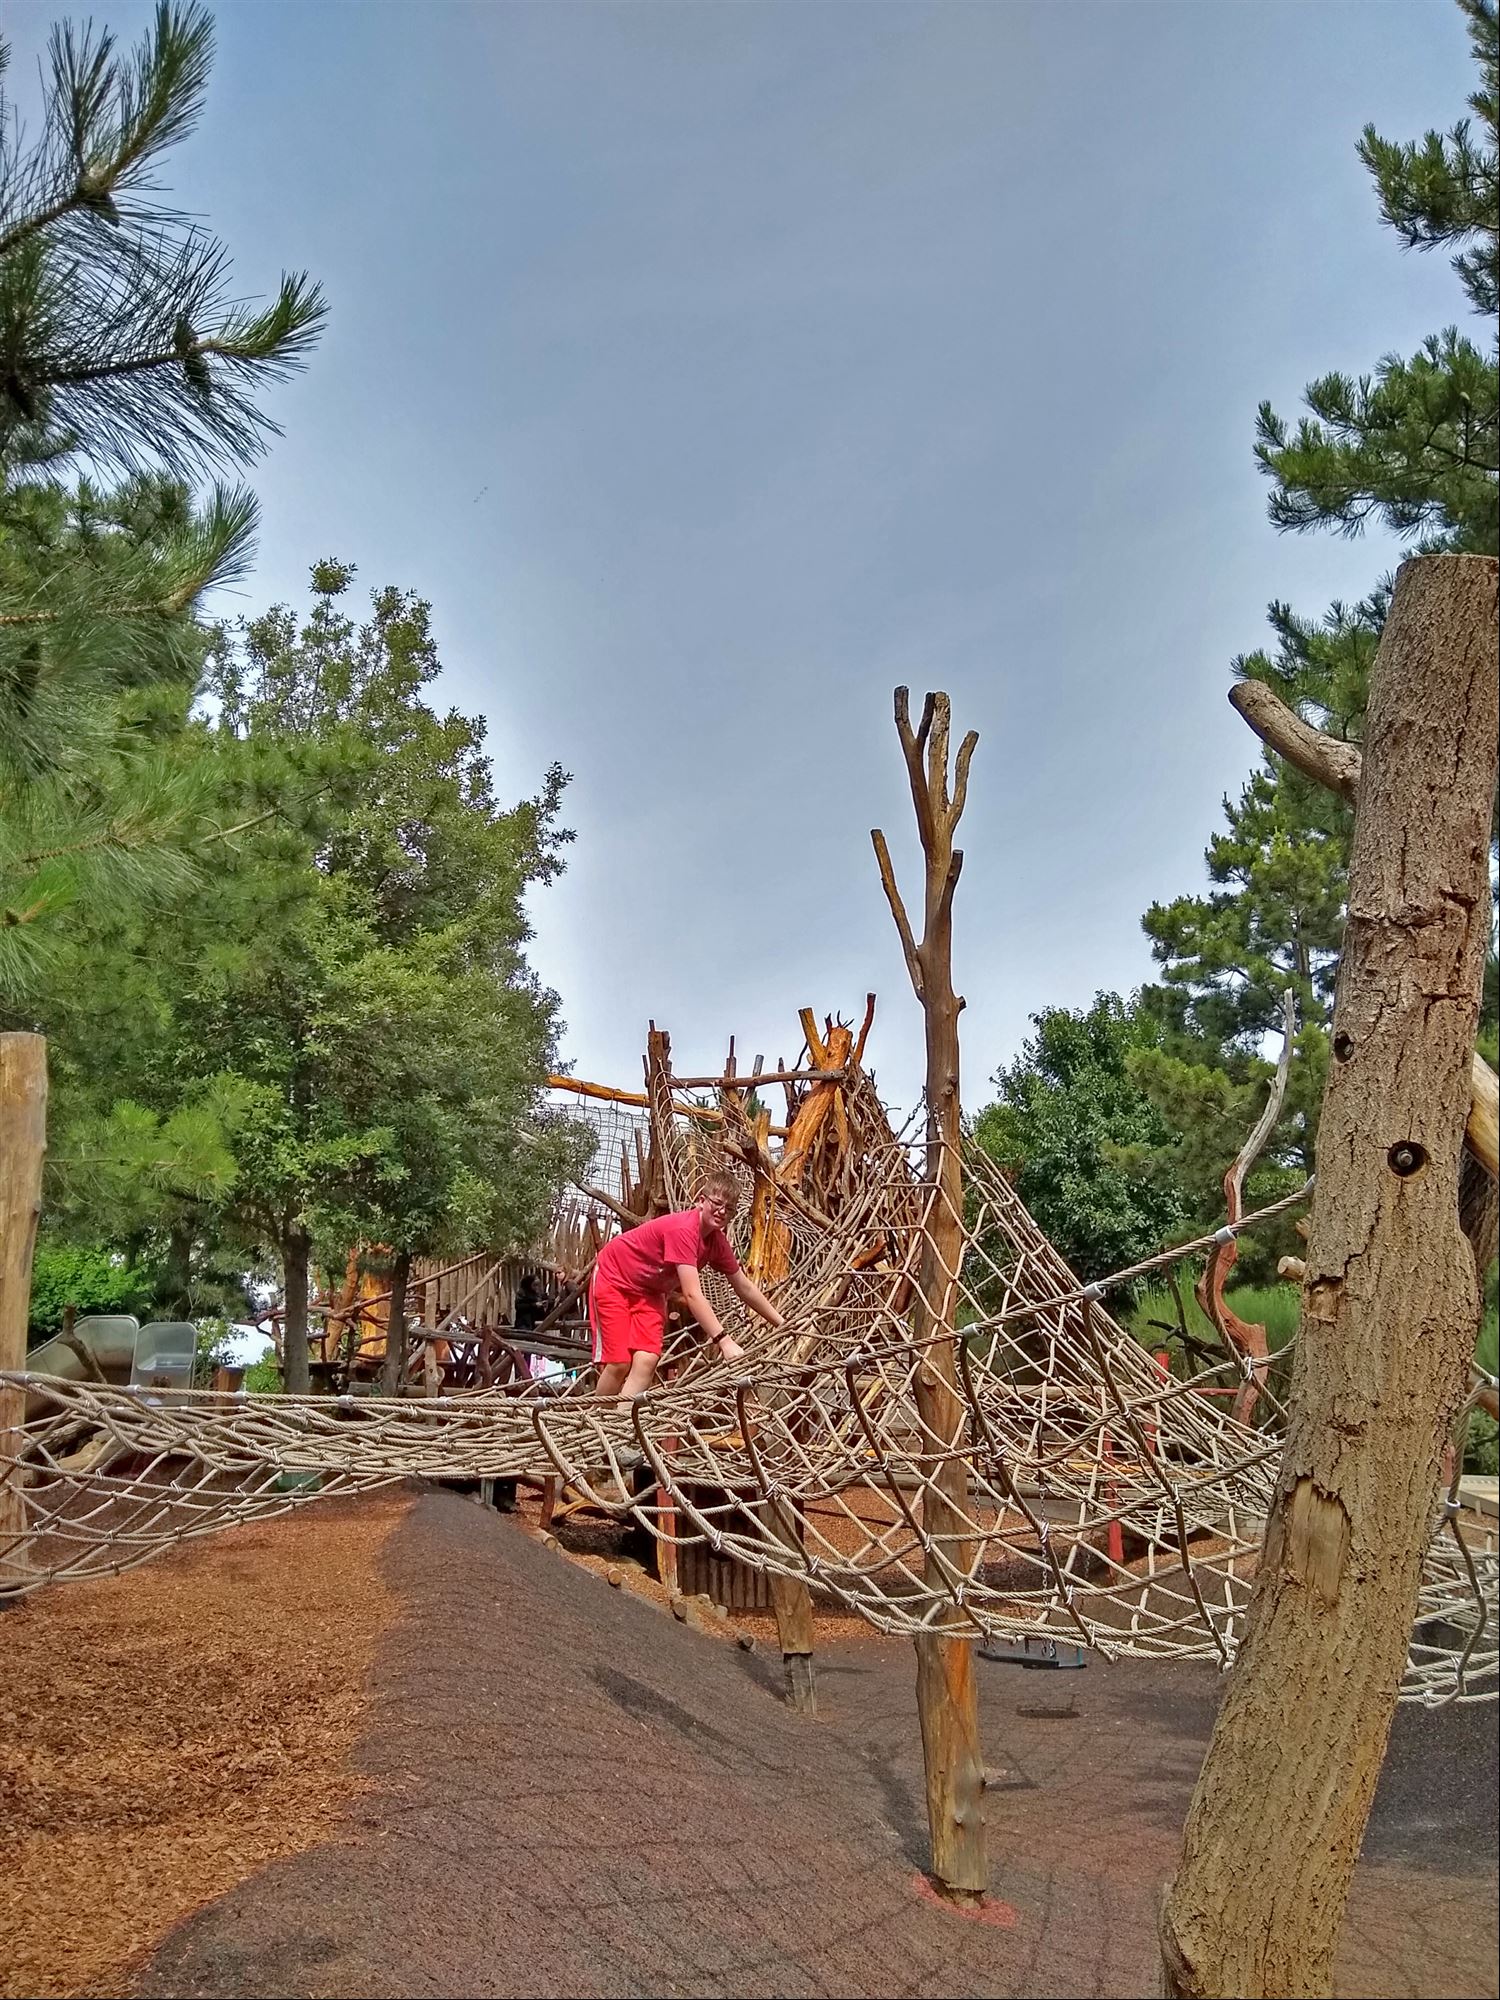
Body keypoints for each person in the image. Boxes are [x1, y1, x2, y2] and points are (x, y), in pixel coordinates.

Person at [590, 1168, 784, 1399]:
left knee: (647, 1360)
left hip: (651, 1291)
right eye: (717, 1203)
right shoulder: (684, 1230)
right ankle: (597, 1415)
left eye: (729, 1208)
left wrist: (781, 1323)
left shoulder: (716, 1242)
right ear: (701, 1201)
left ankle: (622, 1417)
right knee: (619, 1362)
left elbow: (744, 1286)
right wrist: (724, 1341)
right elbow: (692, 1294)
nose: (722, 1211)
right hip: (615, 1278)